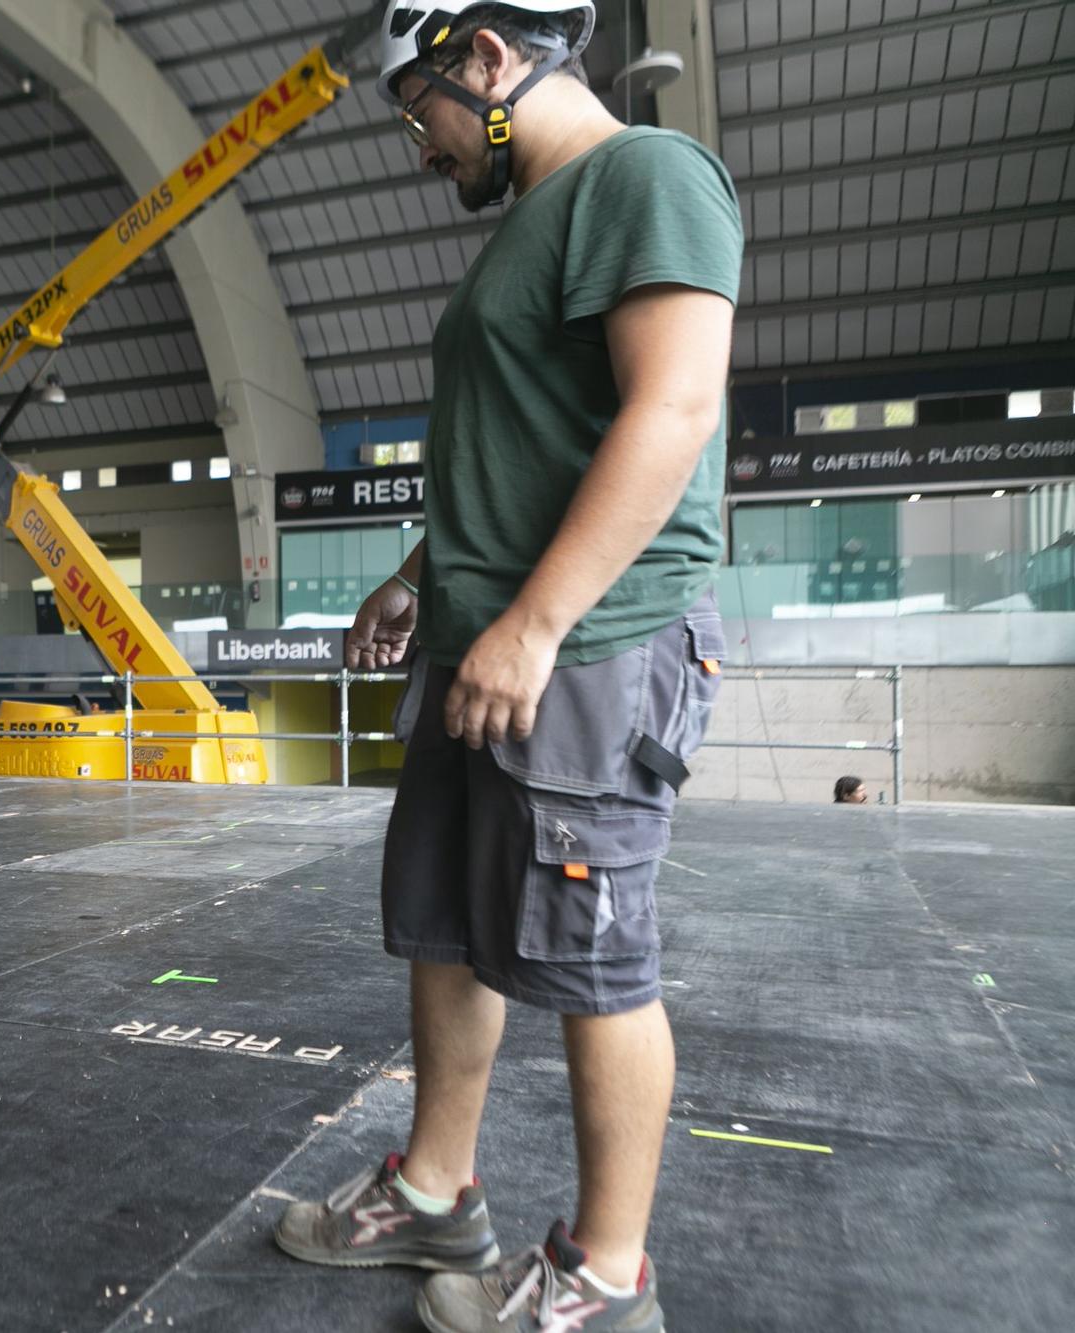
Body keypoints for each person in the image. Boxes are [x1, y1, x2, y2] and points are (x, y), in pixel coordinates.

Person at [272, 5, 742, 1332]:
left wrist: (535, 625)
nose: (419, 145)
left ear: (485, 58)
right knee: (445, 930)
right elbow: (530, 443)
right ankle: (434, 1195)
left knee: (598, 963)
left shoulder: (646, 178)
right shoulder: (533, 224)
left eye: (415, 107)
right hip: (483, 640)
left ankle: (605, 1274)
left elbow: (674, 407)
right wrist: (419, 577)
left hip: (584, 648)